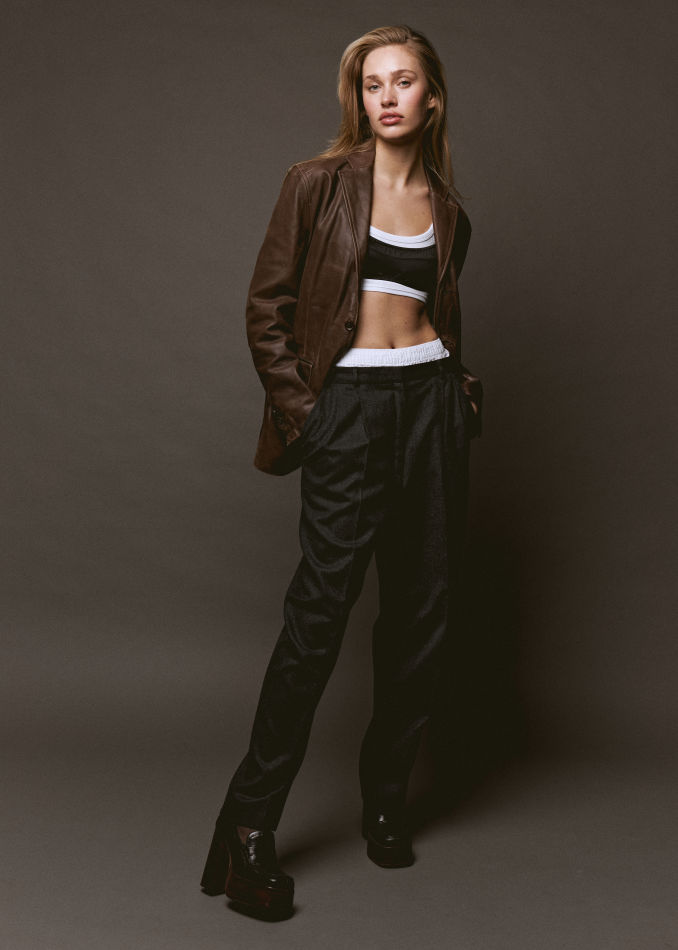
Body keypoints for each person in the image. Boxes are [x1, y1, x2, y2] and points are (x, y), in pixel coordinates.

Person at [200, 23, 483, 919]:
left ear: (432, 97)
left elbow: (437, 314)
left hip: (430, 406)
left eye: (404, 81)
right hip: (348, 412)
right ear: (357, 98)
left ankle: (386, 798)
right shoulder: (316, 184)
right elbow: (267, 309)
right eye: (372, 84)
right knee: (317, 623)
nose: (388, 97)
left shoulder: (449, 207)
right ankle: (250, 826)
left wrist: (455, 397)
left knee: (422, 617)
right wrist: (310, 417)